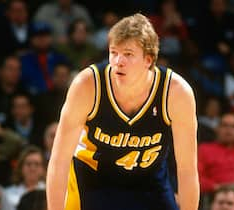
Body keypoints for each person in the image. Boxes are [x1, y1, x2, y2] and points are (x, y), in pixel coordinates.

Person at [47, 13, 199, 210]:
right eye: (113, 52)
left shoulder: (176, 93)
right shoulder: (88, 85)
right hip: (93, 179)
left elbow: (187, 170)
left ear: (148, 60)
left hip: (149, 181)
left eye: (128, 54)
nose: (118, 61)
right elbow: (59, 161)